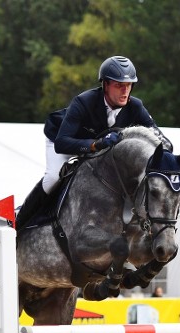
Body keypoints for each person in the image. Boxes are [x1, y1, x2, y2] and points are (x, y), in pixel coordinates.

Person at [16, 55, 161, 231]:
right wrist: (94, 144)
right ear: (105, 85)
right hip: (63, 139)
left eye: (128, 86)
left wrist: (166, 153)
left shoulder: (135, 106)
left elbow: (157, 136)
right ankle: (20, 219)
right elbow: (62, 143)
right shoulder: (83, 101)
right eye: (119, 85)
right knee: (54, 176)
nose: (125, 91)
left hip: (97, 146)